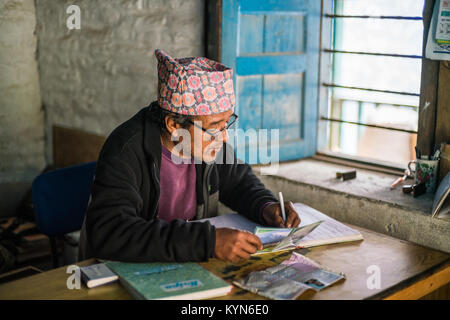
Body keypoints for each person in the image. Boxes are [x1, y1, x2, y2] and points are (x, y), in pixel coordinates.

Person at [78, 49, 301, 264]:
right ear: (174, 125)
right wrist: (207, 241)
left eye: (226, 124)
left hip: (186, 261)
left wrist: (266, 206)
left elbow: (239, 182)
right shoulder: (126, 150)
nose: (223, 138)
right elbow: (112, 233)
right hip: (123, 269)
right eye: (215, 127)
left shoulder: (206, 143)